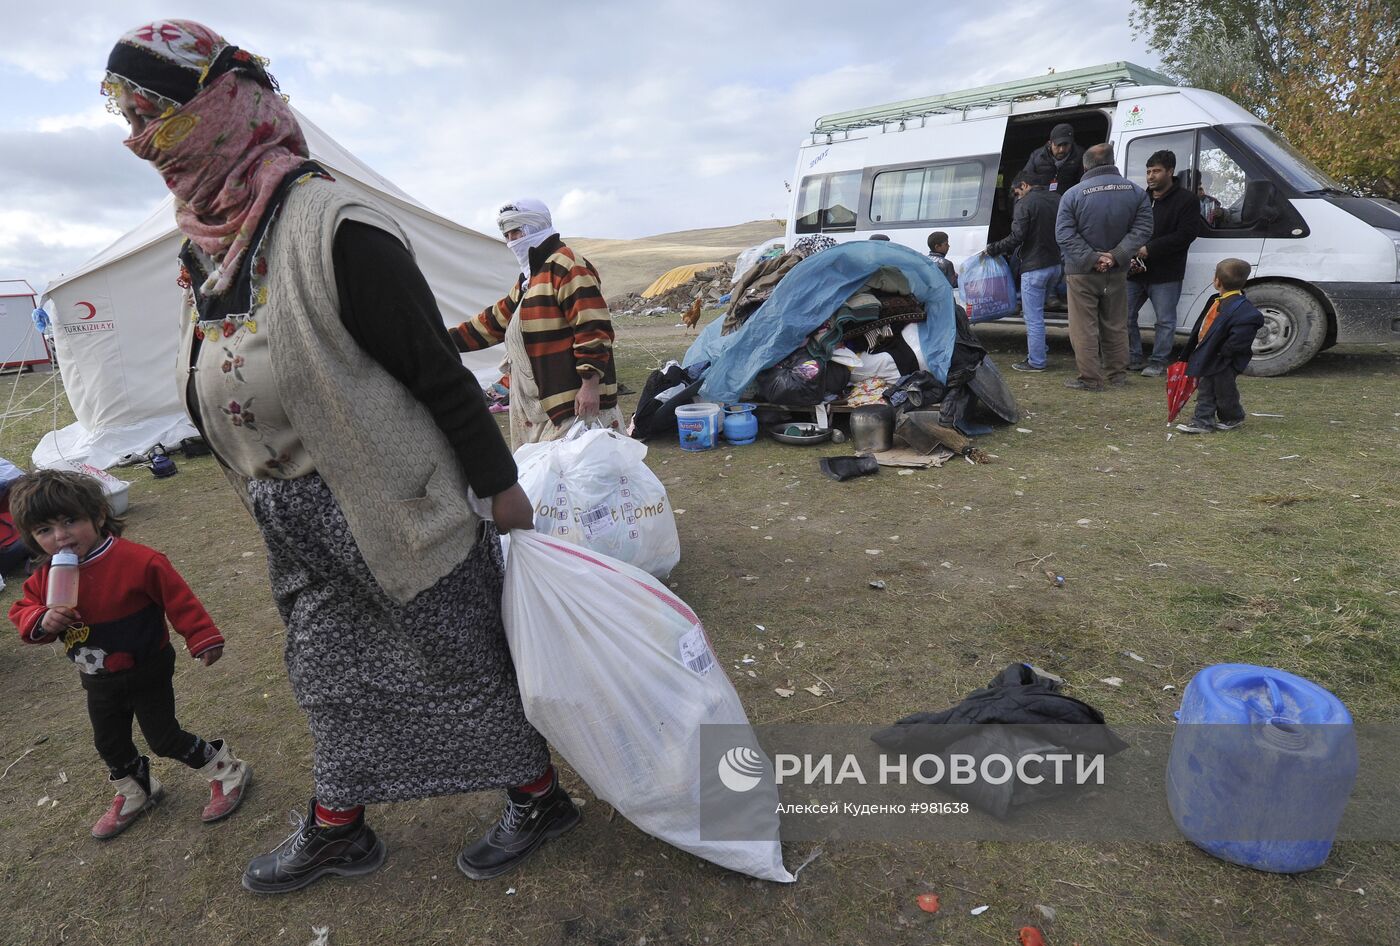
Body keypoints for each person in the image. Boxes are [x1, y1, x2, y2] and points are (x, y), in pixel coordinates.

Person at [103, 20, 578, 893]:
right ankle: (339, 827)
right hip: (292, 509)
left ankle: (540, 797)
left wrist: (501, 487)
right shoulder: (205, 237)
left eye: (156, 115)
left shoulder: (339, 226)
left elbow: (436, 372)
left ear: (220, 107)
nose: (139, 139)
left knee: (460, 662)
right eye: (127, 116)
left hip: (393, 499)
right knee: (326, 672)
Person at [7, 470, 250, 840]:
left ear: (99, 515)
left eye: (70, 521)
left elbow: (178, 598)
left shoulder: (139, 561)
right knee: (109, 742)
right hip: (97, 678)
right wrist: (43, 618)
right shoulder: (44, 577)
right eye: (44, 530)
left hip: (146, 668)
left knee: (164, 738)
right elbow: (23, 612)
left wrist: (201, 636)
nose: (60, 537)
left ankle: (227, 770)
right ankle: (139, 789)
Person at [450, 199, 620, 448]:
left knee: (582, 476)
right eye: (507, 235)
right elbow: (493, 322)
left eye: (516, 232)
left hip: (571, 399)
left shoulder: (567, 265)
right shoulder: (530, 280)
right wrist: (439, 339)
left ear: (535, 228)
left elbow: (592, 327)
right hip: (540, 401)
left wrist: (590, 384)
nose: (511, 241)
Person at [1054, 143, 1154, 391]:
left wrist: (1092, 258)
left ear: (1085, 165)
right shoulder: (1136, 192)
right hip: (1117, 271)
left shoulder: (1073, 194)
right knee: (1116, 323)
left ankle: (1090, 378)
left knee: (1083, 327)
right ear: (1112, 161)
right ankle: (1117, 375)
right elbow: (1143, 229)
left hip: (1081, 272)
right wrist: (1116, 256)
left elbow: (1064, 234)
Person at [1127, 150, 1202, 376]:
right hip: (1135, 270)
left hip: (1166, 273)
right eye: (1148, 171)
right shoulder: (1141, 197)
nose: (1151, 176)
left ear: (1170, 171)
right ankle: (1133, 357)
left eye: (1156, 171)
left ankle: (1158, 361)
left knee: (1165, 321)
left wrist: (1150, 249)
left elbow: (1187, 234)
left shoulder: (1187, 200)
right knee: (1124, 315)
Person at [1175, 259, 1265, 434]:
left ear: (1217, 281)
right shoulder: (1214, 300)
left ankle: (1206, 421)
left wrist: (1223, 353)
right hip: (1208, 355)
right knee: (1214, 388)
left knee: (1221, 390)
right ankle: (1227, 417)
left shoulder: (1245, 312)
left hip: (1223, 359)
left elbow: (1239, 340)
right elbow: (1201, 326)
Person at [984, 171, 1061, 371]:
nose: (1017, 196)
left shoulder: (1025, 203)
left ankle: (1036, 361)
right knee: (1039, 313)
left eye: (1017, 192)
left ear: (1024, 185)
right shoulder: (1058, 198)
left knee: (1033, 317)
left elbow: (1017, 236)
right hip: (1056, 265)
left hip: (1035, 267)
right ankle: (1040, 349)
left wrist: (993, 248)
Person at [1021, 123, 1085, 194]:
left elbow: (1084, 182)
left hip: (1069, 196)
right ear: (1050, 143)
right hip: (1043, 197)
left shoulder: (1080, 155)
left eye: (1066, 145)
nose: (1061, 150)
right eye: (1058, 145)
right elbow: (1025, 180)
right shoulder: (1037, 156)